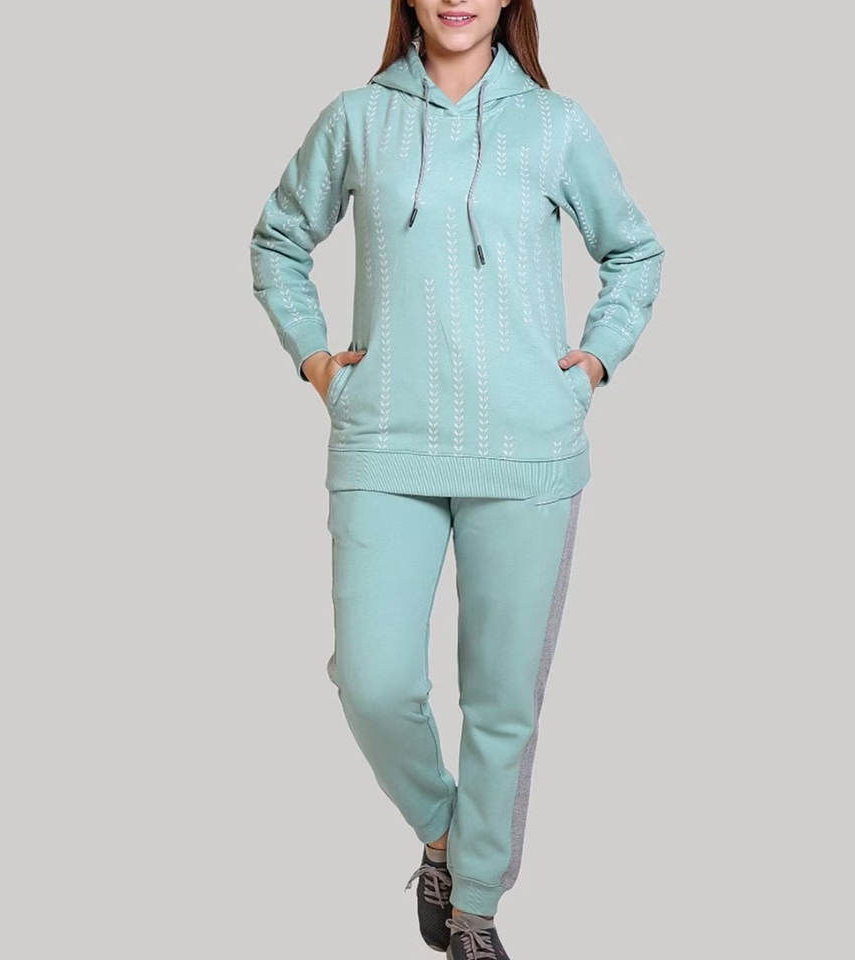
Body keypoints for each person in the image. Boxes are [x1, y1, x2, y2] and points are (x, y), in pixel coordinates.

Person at [249, 1, 665, 955]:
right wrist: (316, 359)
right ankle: (447, 830)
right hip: (384, 441)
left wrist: (595, 361)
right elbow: (278, 238)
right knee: (373, 679)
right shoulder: (358, 117)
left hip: (525, 450)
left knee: (501, 700)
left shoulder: (556, 125)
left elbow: (635, 252)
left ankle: (475, 905)